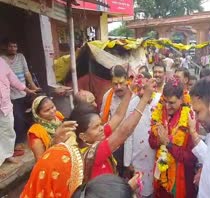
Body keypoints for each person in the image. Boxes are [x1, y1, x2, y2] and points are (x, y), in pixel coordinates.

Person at [20, 78, 156, 198]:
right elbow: (124, 131)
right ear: (83, 136)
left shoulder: (95, 138)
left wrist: (129, 92)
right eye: (96, 126)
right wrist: (145, 99)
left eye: (100, 124)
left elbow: (118, 117)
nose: (102, 128)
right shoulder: (91, 155)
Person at [149, 78, 197, 198]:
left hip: (180, 179)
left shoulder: (190, 119)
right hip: (160, 175)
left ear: (181, 99)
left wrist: (168, 144)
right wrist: (160, 140)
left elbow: (191, 159)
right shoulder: (159, 112)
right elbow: (151, 142)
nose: (167, 106)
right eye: (165, 101)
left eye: (172, 103)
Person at [124, 72, 161, 197]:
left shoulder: (160, 101)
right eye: (139, 89)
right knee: (140, 189)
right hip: (138, 158)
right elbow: (127, 134)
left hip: (158, 155)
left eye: (145, 88)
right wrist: (128, 161)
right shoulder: (132, 103)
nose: (141, 92)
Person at [1, 39, 41, 151]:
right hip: (10, 97)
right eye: (10, 46)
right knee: (17, 119)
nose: (13, 48)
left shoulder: (20, 57)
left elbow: (26, 72)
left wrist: (32, 87)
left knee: (38, 107)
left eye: (15, 46)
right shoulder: (2, 60)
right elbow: (10, 80)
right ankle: (18, 142)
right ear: (5, 47)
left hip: (24, 91)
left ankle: (37, 134)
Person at [0, 57, 36, 166]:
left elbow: (13, 78)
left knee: (8, 132)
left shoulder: (1, 62)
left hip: (4, 106)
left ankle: (7, 155)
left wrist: (27, 89)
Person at [100, 65, 129, 176]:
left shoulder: (135, 94)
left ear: (127, 79)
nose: (118, 87)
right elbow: (103, 119)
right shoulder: (107, 97)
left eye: (121, 83)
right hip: (115, 143)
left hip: (132, 141)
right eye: (115, 84)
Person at [28, 96, 78, 160]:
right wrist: (55, 141)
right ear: (37, 114)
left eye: (52, 107)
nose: (52, 111)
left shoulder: (57, 116)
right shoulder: (35, 132)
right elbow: (40, 159)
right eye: (47, 110)